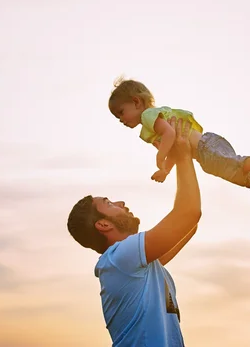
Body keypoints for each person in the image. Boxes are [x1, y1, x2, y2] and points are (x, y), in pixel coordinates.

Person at [67, 117, 201, 347]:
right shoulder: (120, 257)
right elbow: (188, 213)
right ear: (103, 225)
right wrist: (183, 154)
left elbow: (189, 223)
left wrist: (177, 159)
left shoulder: (139, 265)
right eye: (109, 203)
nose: (121, 203)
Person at [108, 76, 250, 191]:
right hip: (204, 151)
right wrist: (165, 170)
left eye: (121, 112)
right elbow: (176, 152)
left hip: (205, 146)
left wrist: (160, 156)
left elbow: (169, 134)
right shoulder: (149, 128)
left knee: (235, 163)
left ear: (136, 102)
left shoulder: (149, 117)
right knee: (235, 174)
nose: (121, 120)